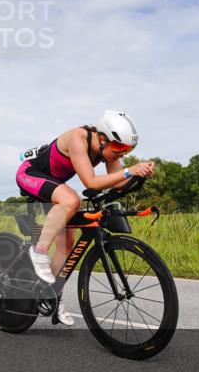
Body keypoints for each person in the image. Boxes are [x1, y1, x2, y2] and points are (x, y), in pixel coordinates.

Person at [15, 110, 155, 325]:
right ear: (102, 138)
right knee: (71, 200)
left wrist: (139, 173)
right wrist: (129, 171)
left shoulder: (108, 150)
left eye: (128, 149)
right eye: (119, 147)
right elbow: (90, 182)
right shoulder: (77, 137)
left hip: (54, 182)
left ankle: (52, 294)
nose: (122, 154)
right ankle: (39, 251)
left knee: (67, 243)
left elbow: (116, 182)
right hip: (30, 174)